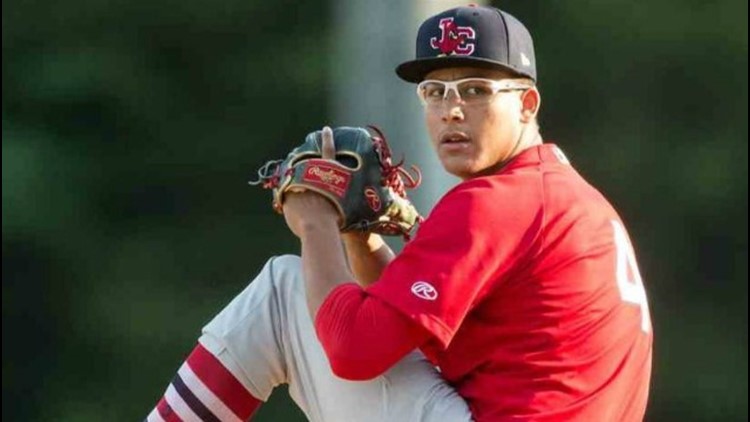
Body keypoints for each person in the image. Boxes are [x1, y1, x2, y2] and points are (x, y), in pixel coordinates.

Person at [146, 5, 652, 422]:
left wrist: (316, 223)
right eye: (435, 92)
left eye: (475, 89)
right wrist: (360, 236)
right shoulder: (564, 197)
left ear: (527, 104)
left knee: (284, 289)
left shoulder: (496, 201)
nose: (451, 110)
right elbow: (412, 336)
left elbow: (354, 351)